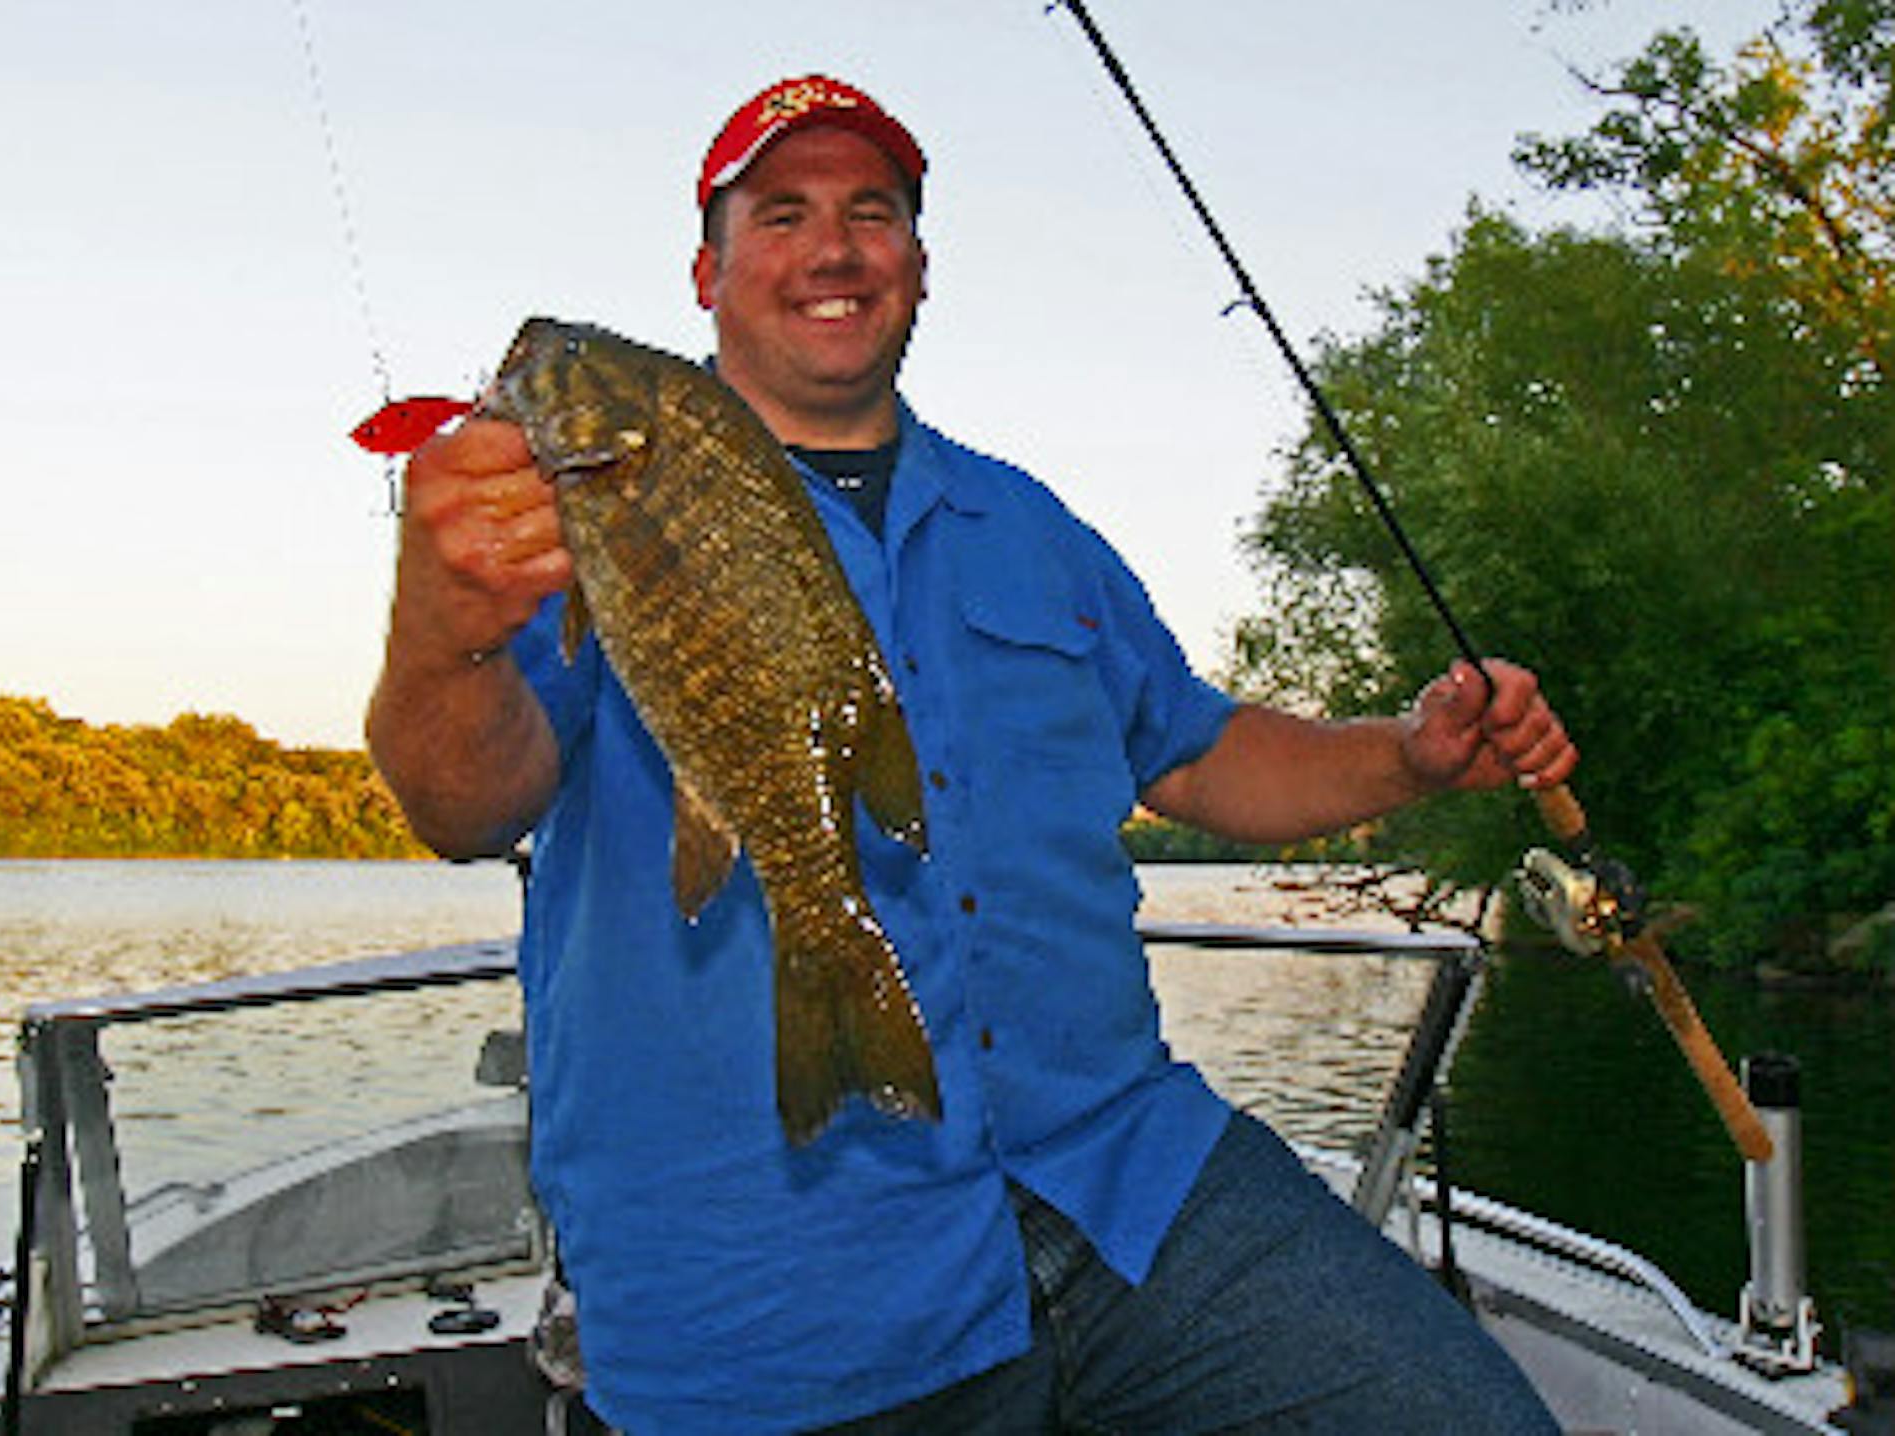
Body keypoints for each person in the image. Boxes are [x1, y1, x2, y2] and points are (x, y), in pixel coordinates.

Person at [369, 74, 1575, 1435]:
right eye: (782, 214)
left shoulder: (1030, 524)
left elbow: (1200, 754)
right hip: (773, 1269)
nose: (833, 248)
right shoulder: (580, 508)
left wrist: (1413, 753)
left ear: (919, 268)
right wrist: (446, 636)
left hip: (1125, 1179)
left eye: (871, 212)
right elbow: (462, 803)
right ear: (706, 273)